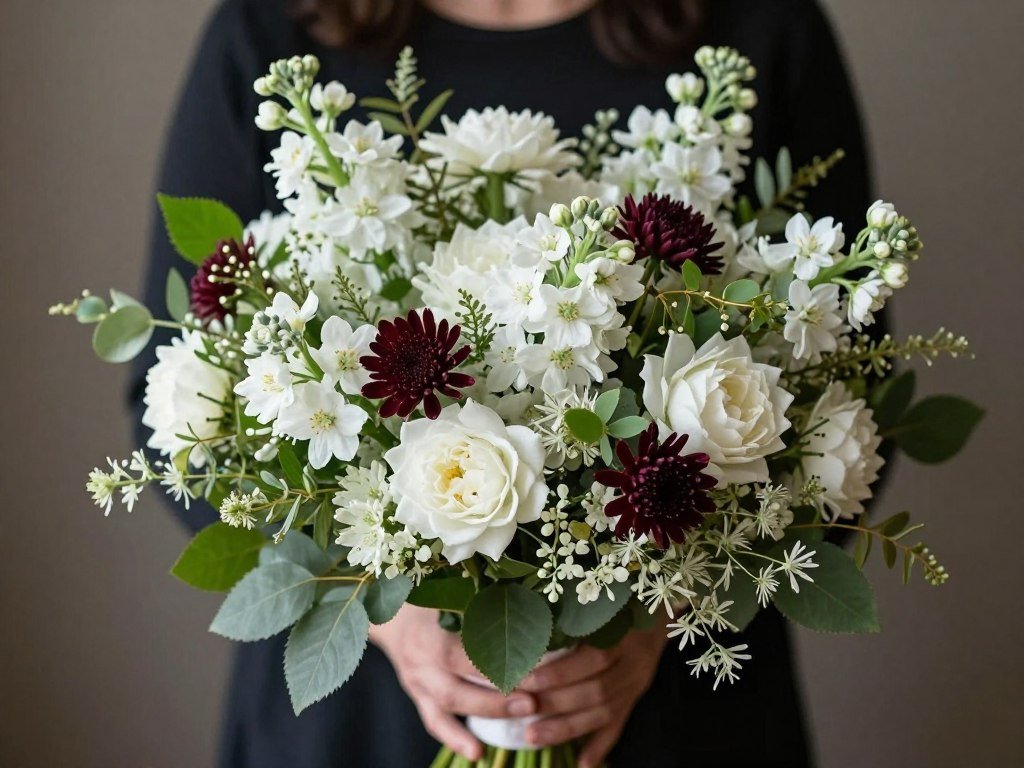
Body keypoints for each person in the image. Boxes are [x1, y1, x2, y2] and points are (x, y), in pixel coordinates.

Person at [137, 1, 872, 765]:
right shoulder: (271, 29)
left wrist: (656, 610)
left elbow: (838, 398)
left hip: (672, 702)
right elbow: (178, 401)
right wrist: (381, 609)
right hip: (361, 718)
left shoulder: (763, 25)